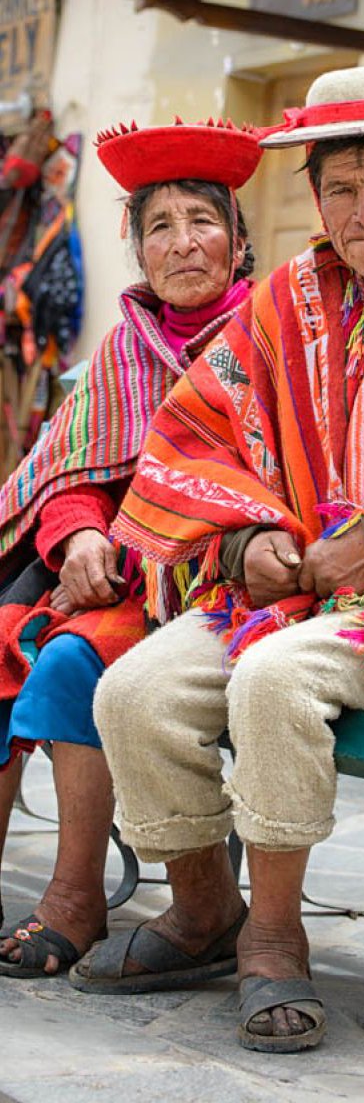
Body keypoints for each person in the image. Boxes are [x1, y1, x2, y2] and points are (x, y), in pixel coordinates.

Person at [69, 65, 364, 1053]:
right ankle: (200, 911)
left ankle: (273, 938)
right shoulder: (281, 304)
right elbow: (198, 431)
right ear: (313, 199)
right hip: (301, 596)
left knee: (269, 681)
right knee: (133, 689)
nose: (362, 209)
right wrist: (249, 534)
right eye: (337, 188)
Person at [0, 115, 262, 977]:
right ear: (139, 251)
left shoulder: (271, 341)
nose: (184, 244)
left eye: (203, 220)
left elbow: (273, 490)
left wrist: (150, 548)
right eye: (160, 226)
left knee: (75, 657)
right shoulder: (122, 352)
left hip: (213, 585)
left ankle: (74, 902)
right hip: (106, 571)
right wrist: (75, 533)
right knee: (4, 641)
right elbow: (71, 467)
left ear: (238, 240)